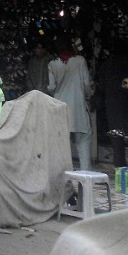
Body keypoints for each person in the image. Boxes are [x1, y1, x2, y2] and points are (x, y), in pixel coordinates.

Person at [48, 38, 94, 171]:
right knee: (83, 141)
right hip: (78, 107)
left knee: (61, 145)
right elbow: (86, 85)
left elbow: (51, 87)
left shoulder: (53, 64)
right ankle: (85, 175)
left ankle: (63, 175)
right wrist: (89, 95)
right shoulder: (80, 61)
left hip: (60, 109)